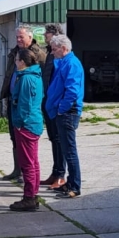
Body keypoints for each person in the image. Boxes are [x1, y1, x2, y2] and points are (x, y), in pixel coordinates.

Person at [0, 27, 45, 182]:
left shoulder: (37, 54)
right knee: (15, 138)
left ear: (30, 37)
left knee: (25, 141)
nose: (18, 40)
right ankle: (17, 170)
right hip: (13, 100)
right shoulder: (15, 52)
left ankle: (27, 176)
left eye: (21, 37)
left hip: (26, 105)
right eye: (17, 37)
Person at [45, 35, 84, 199]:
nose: (52, 53)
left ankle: (75, 186)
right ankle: (69, 182)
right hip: (60, 111)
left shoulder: (72, 64)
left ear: (64, 48)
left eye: (54, 49)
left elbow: (72, 91)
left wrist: (61, 108)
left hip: (67, 113)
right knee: (66, 149)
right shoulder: (63, 62)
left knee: (70, 151)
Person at [9, 48, 44, 211]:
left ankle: (29, 197)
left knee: (28, 163)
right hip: (34, 123)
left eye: (17, 60)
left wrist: (19, 123)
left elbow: (24, 105)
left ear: (22, 62)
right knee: (33, 161)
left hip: (26, 125)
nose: (15, 62)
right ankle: (33, 194)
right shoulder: (36, 76)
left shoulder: (25, 79)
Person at [39, 24, 66, 190]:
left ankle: (61, 175)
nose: (44, 36)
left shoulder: (60, 55)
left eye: (47, 33)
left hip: (56, 104)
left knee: (59, 140)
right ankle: (55, 172)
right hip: (48, 102)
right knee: (53, 139)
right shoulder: (49, 53)